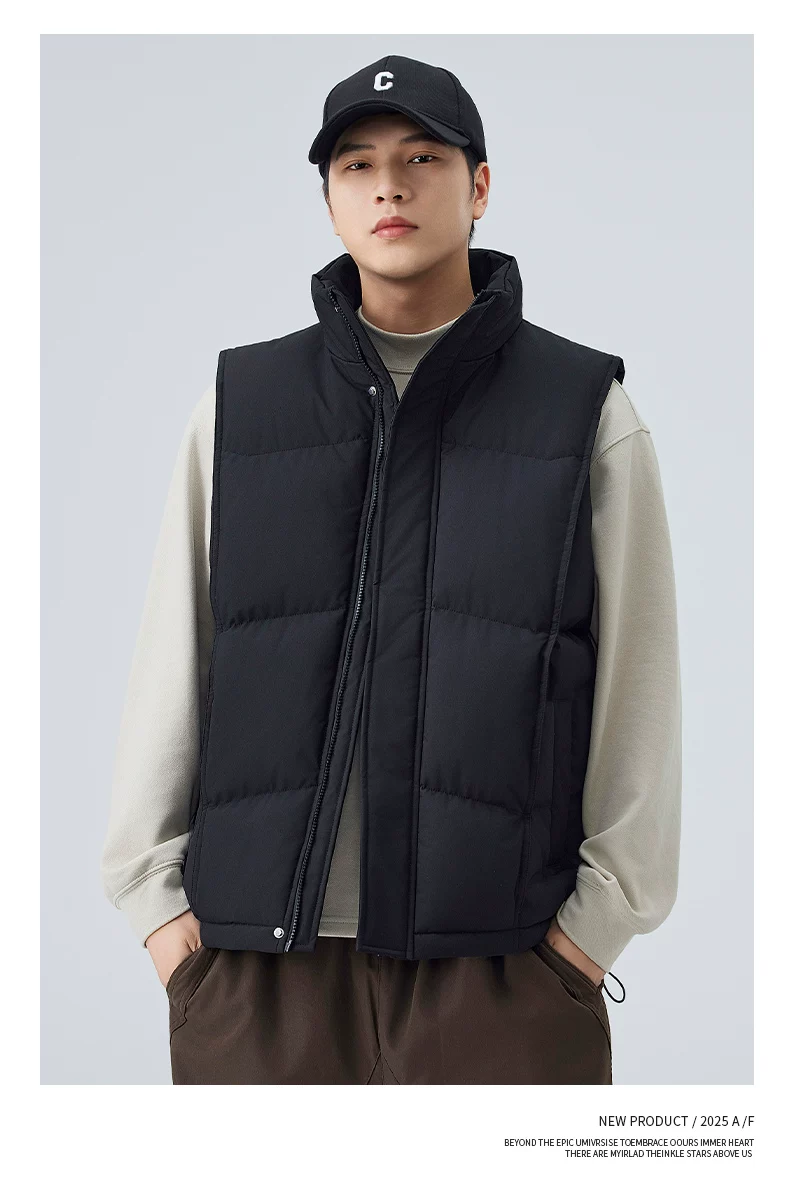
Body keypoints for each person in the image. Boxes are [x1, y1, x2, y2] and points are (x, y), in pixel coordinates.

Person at [100, 54, 682, 1085]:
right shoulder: (243, 408)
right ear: (328, 201)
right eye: (358, 166)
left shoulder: (581, 411)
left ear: (480, 185)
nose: (389, 188)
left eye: (422, 158)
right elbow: (174, 656)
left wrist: (590, 934)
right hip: (254, 973)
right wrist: (158, 908)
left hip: (502, 972)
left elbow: (640, 680)